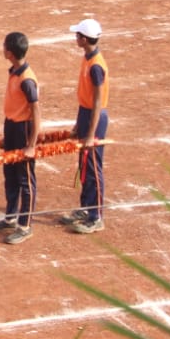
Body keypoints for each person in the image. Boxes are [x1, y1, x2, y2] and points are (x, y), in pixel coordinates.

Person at [0, 31, 41, 245]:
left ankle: (25, 224)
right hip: (11, 126)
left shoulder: (27, 80)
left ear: (9, 52)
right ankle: (10, 216)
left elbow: (36, 112)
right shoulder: (14, 72)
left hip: (23, 129)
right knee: (9, 173)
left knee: (25, 178)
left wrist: (31, 145)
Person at [65, 18, 108, 234]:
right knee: (84, 164)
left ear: (83, 39)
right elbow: (86, 97)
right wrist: (77, 123)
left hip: (94, 118)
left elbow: (98, 101)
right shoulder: (88, 58)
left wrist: (90, 134)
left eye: (77, 35)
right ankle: (86, 208)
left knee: (92, 166)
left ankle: (96, 215)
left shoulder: (96, 66)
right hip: (85, 114)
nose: (76, 38)